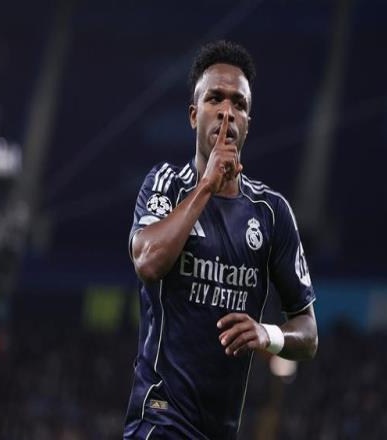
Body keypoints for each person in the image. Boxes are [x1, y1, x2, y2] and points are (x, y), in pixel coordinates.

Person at [124, 40, 318, 440]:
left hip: (221, 429)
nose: (227, 111)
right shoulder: (165, 185)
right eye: (215, 99)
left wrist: (268, 334)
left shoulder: (271, 212)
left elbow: (308, 333)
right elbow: (147, 262)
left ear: (247, 122)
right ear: (194, 115)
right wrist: (206, 186)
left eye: (239, 104)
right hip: (160, 418)